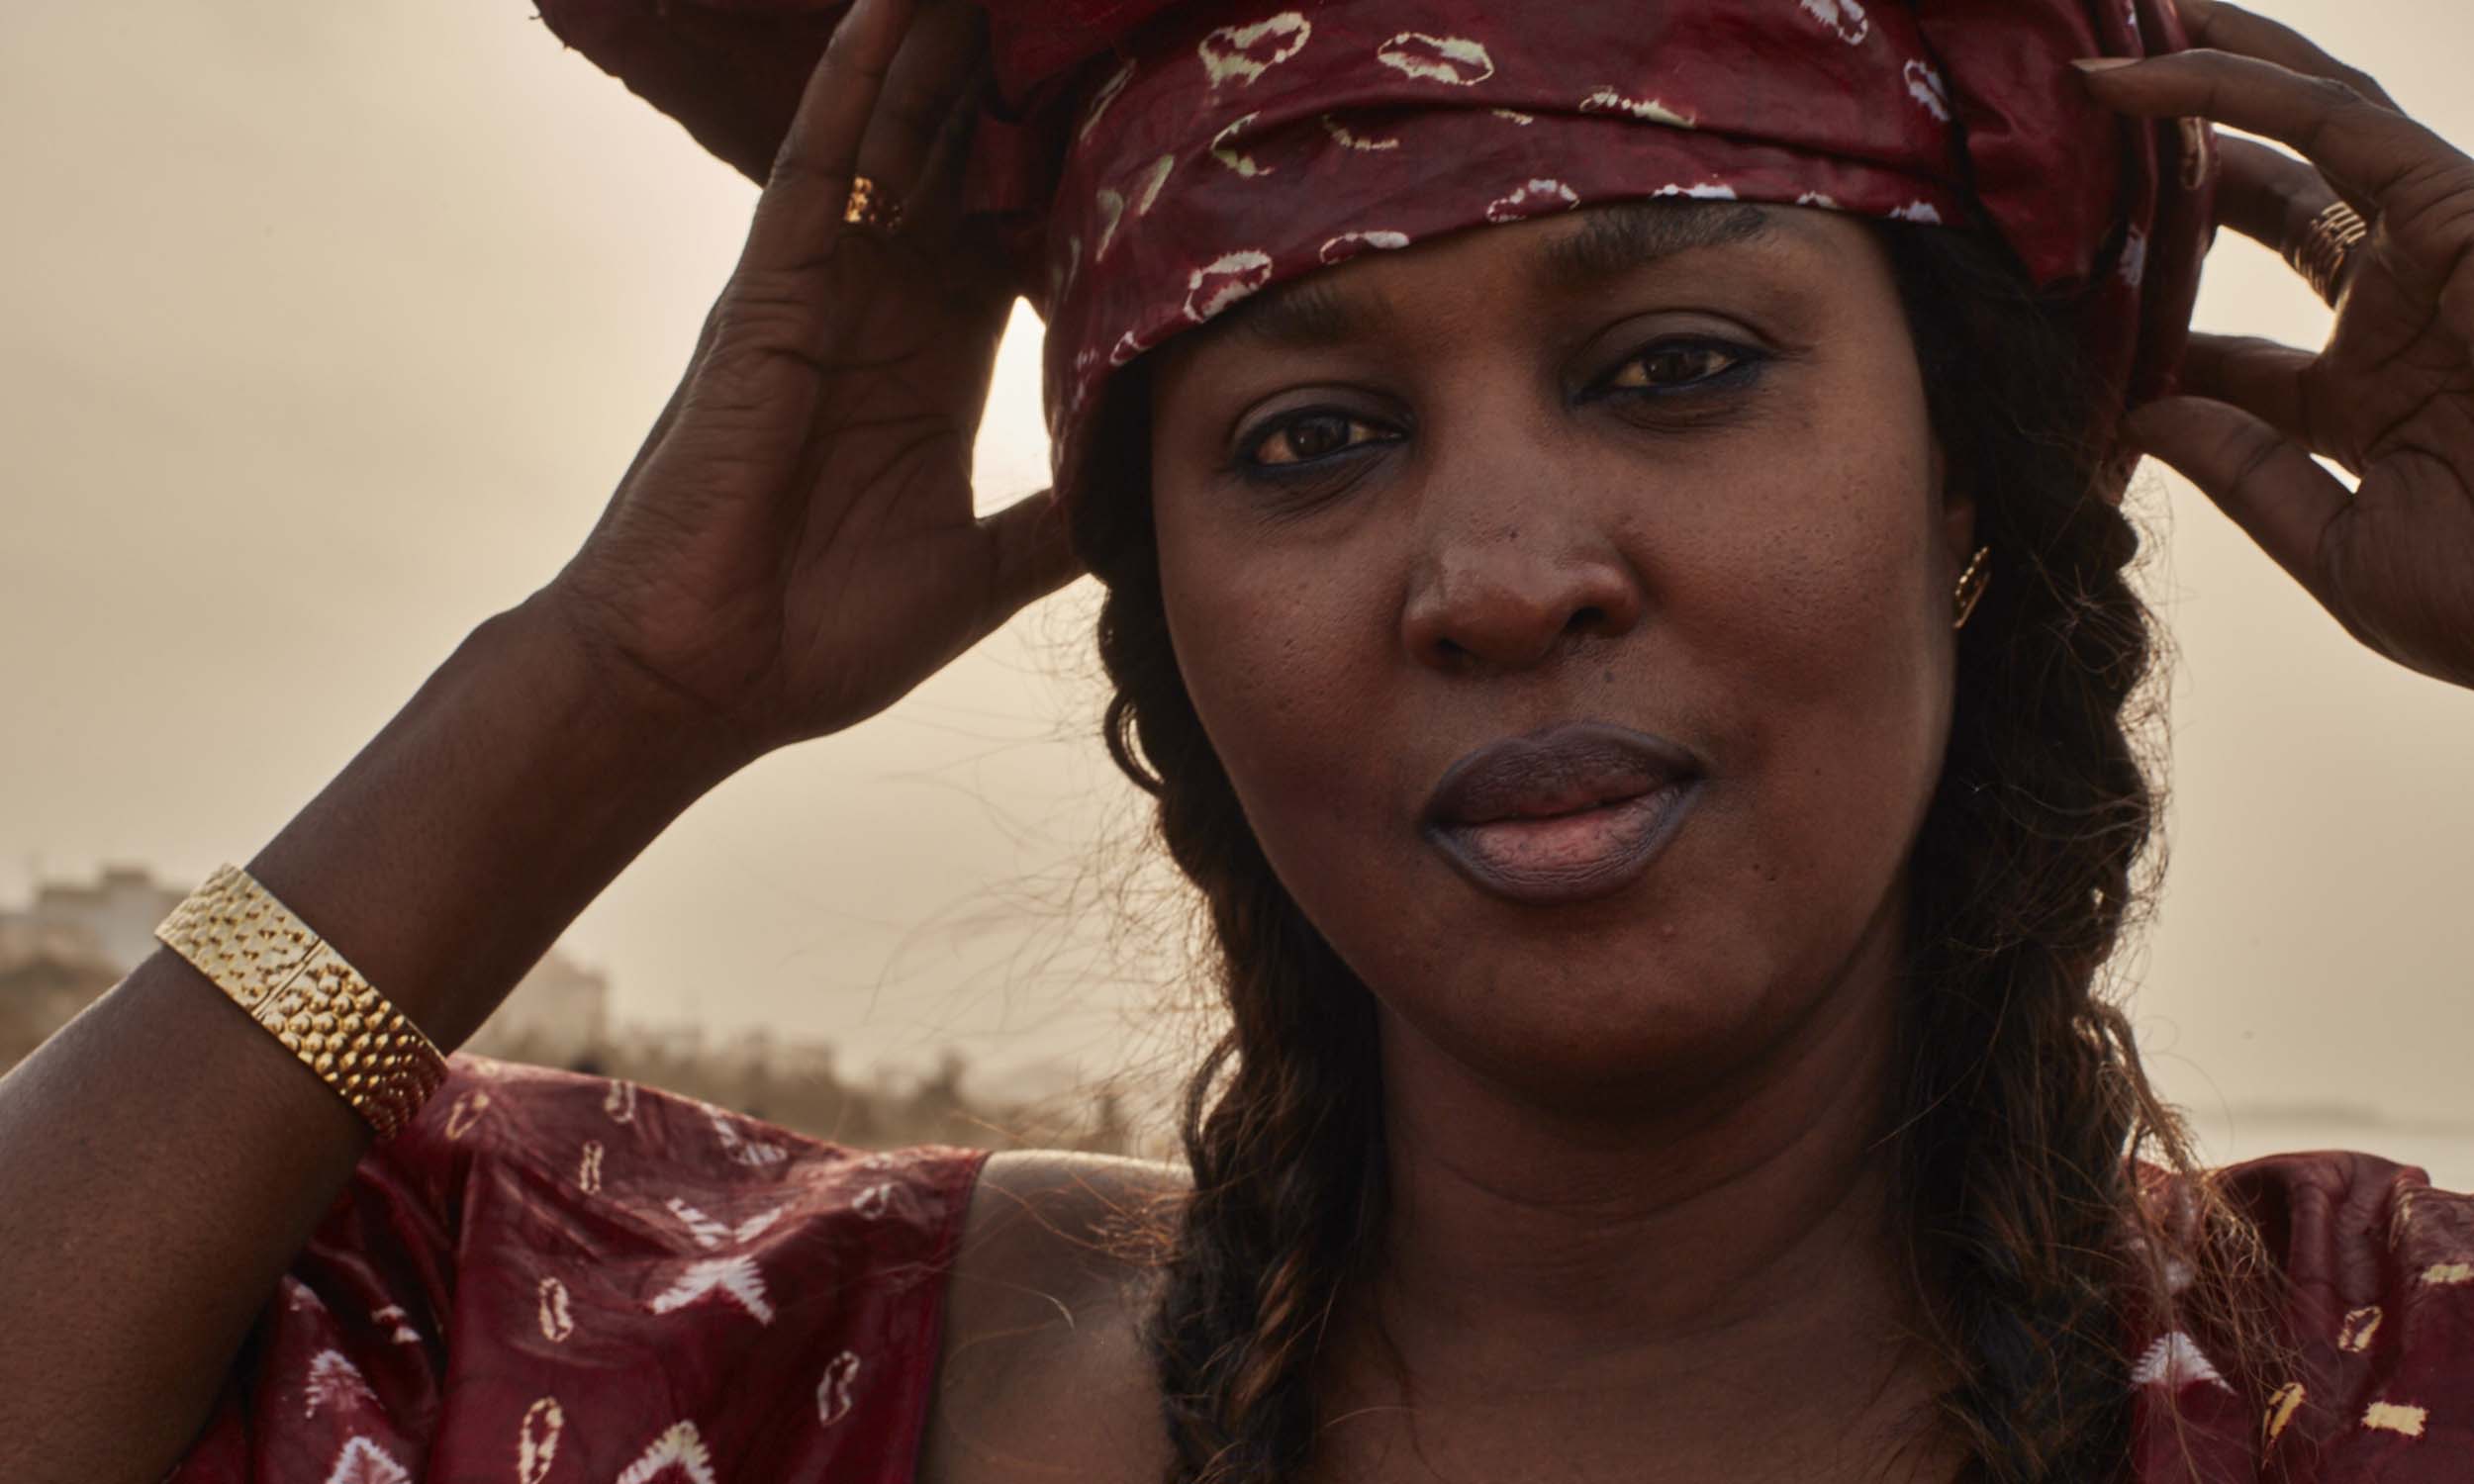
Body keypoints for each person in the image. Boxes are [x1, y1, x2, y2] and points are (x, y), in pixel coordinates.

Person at [4, 0, 2472, 1479]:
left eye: (1673, 370)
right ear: (1164, 617)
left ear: (1962, 475)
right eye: (1304, 441)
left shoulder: (2367, 1382)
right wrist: (608, 684)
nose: (1497, 577)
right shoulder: (779, 1383)